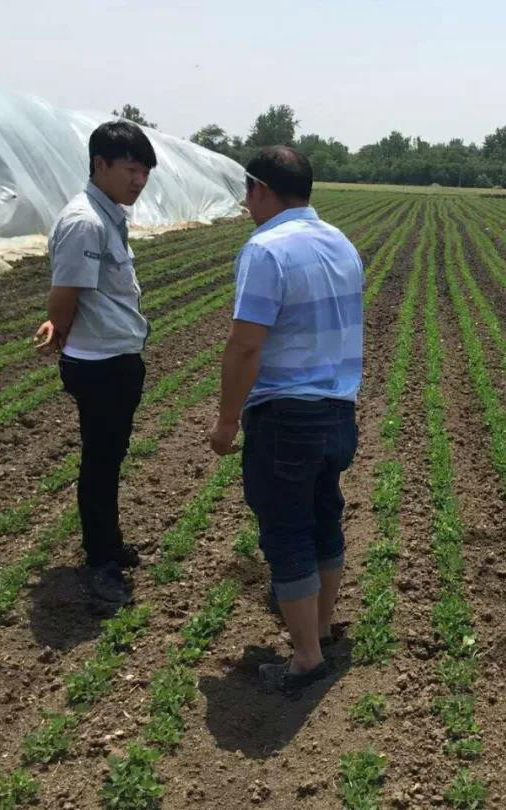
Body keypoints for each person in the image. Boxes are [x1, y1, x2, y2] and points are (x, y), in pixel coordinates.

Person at [209, 146, 363, 694]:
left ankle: (306, 660)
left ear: (261, 189)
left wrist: (227, 421)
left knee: (286, 532)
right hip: (338, 411)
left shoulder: (265, 249)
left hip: (287, 417)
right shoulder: (341, 243)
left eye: (246, 191)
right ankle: (319, 630)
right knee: (323, 518)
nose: (246, 203)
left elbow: (245, 345)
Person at [34, 120, 156, 606]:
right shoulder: (86, 222)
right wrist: (58, 326)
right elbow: (64, 293)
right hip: (99, 364)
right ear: (99, 164)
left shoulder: (109, 216)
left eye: (145, 172)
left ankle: (109, 542)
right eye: (131, 169)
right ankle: (101, 559)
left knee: (109, 457)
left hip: (116, 358)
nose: (139, 181)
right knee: (101, 463)